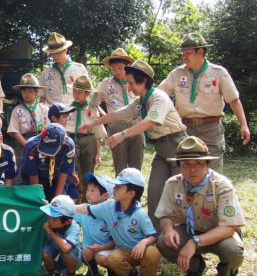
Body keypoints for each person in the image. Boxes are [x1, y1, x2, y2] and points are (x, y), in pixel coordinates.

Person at [80, 60, 187, 227]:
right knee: (154, 191)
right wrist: (91, 124)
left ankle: (184, 230)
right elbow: (116, 115)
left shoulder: (159, 97)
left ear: (143, 81)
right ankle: (154, 233)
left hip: (177, 147)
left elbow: (151, 121)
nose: (128, 88)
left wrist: (123, 134)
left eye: (131, 83)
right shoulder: (140, 102)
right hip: (161, 149)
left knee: (180, 192)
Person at [155, 136, 246, 276]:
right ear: (179, 166)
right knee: (164, 242)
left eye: (198, 163)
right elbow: (165, 215)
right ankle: (195, 267)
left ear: (207, 164)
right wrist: (169, 230)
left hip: (219, 234)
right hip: (190, 229)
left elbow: (229, 227)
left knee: (233, 250)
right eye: (186, 164)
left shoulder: (221, 185)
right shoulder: (172, 184)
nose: (192, 169)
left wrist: (195, 242)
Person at [158, 33, 250, 172]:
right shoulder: (177, 74)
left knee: (211, 173)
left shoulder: (218, 73)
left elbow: (233, 100)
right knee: (186, 171)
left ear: (200, 52)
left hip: (211, 129)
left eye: (188, 53)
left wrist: (243, 125)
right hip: (185, 129)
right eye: (183, 53)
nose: (184, 57)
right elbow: (159, 94)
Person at [75, 168, 163, 276]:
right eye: (115, 185)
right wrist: (65, 207)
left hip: (140, 251)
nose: (114, 188)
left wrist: (144, 242)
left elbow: (153, 235)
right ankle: (129, 275)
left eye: (119, 187)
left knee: (153, 252)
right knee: (113, 259)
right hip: (121, 251)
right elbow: (86, 209)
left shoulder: (140, 214)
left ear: (131, 193)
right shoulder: (109, 206)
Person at [93, 48, 144, 174]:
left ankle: (135, 191)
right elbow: (93, 103)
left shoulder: (137, 81)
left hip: (136, 125)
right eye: (114, 69)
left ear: (128, 66)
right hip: (116, 126)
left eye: (121, 68)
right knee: (120, 165)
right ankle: (120, 191)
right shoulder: (106, 83)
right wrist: (106, 116)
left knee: (136, 166)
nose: (117, 72)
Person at [66, 75, 107, 196]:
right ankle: (75, 195)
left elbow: (98, 132)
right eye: (74, 91)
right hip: (72, 139)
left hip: (89, 140)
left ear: (88, 94)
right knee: (74, 168)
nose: (76, 94)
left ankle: (88, 197)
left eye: (80, 92)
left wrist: (98, 153)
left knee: (88, 168)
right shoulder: (68, 108)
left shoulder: (93, 109)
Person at [74, 173, 115, 276]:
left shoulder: (111, 214)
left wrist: (101, 247)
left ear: (105, 196)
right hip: (90, 249)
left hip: (108, 248)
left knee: (110, 258)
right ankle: (92, 271)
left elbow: (115, 241)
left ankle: (112, 272)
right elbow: (68, 212)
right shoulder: (84, 210)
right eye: (87, 190)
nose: (88, 194)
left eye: (93, 191)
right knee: (86, 253)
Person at [20, 122, 76, 202]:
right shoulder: (31, 146)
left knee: (60, 204)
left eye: (52, 148)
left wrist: (56, 200)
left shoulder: (69, 146)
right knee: (35, 204)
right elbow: (32, 174)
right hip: (35, 179)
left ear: (63, 142)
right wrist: (40, 198)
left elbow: (64, 172)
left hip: (56, 178)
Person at [40, 195, 82, 276]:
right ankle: (53, 274)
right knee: (44, 253)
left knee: (68, 251)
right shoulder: (51, 223)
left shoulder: (74, 227)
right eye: (49, 216)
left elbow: (66, 248)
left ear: (67, 221)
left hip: (71, 260)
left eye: (54, 219)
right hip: (54, 254)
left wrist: (50, 232)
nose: (50, 221)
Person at [39, 32, 89, 106]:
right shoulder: (45, 74)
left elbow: (88, 94)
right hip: (52, 115)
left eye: (58, 52)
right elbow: (42, 98)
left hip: (74, 112)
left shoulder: (80, 69)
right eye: (52, 53)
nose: (55, 56)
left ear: (65, 50)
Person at [7, 73, 49, 159]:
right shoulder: (17, 110)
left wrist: (41, 143)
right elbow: (15, 131)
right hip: (23, 142)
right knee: (24, 167)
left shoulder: (44, 108)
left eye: (30, 91)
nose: (27, 94)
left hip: (42, 140)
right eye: (24, 91)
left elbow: (47, 128)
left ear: (36, 92)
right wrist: (27, 145)